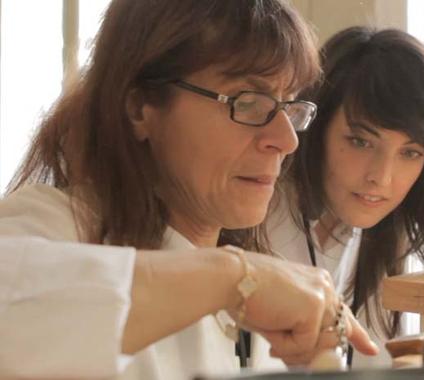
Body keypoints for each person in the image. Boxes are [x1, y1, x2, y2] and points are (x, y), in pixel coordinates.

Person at [0, 1, 377, 379]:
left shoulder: (264, 304)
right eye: (248, 102)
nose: (285, 139)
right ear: (140, 108)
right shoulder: (53, 226)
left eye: (288, 106)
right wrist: (236, 279)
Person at [265, 26, 424, 369]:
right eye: (361, 142)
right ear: (317, 126)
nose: (381, 178)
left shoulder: (386, 241)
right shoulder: (259, 215)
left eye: (411, 153)